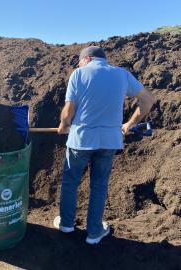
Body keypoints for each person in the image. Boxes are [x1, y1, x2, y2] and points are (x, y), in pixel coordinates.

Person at [53, 46, 154, 245]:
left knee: (70, 182)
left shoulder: (79, 74)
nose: (79, 65)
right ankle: (94, 233)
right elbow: (148, 100)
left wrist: (64, 125)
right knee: (99, 186)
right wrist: (130, 123)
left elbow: (68, 111)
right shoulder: (122, 75)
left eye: (80, 61)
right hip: (109, 142)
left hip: (81, 140)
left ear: (87, 58)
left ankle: (66, 224)